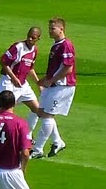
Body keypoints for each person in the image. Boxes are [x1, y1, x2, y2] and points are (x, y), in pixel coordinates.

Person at [29, 16, 76, 158]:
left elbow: (68, 68)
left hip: (62, 86)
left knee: (48, 116)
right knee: (41, 113)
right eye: (49, 28)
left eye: (52, 28)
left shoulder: (66, 45)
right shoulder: (57, 45)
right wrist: (44, 80)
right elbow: (57, 67)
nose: (49, 31)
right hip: (53, 85)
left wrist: (52, 80)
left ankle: (37, 149)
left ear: (61, 29)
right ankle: (58, 142)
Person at [0, 25, 52, 125]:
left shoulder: (34, 50)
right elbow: (3, 62)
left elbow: (30, 68)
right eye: (29, 36)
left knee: (37, 110)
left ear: (38, 38)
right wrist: (13, 78)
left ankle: (27, 135)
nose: (30, 39)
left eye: (33, 37)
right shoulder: (18, 47)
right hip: (8, 82)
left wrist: (38, 83)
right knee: (1, 111)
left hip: (22, 84)